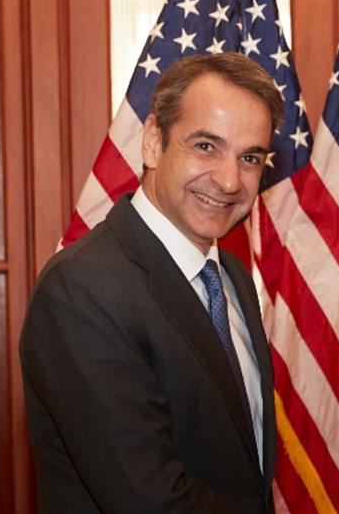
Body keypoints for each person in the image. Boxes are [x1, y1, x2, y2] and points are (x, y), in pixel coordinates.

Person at [19, 53, 283, 513]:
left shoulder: (232, 278)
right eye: (206, 146)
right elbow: (151, 500)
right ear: (152, 143)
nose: (229, 180)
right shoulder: (82, 289)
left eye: (250, 158)